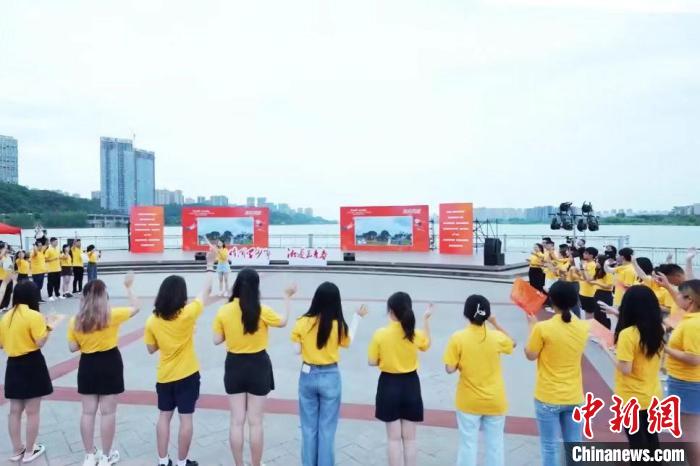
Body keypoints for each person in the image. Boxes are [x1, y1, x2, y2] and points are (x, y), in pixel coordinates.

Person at [144, 247, 220, 466]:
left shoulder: (152, 320)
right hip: (188, 374)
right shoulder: (187, 314)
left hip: (165, 376)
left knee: (164, 416)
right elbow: (206, 291)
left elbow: (151, 349)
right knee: (186, 419)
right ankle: (182, 462)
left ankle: (162, 461)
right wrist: (209, 264)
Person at [212, 268, 295, 466]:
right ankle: (256, 463)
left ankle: (239, 464)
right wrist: (287, 297)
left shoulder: (224, 310)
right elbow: (283, 322)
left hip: (234, 365)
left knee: (236, 421)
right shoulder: (262, 310)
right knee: (255, 422)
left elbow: (216, 339)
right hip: (258, 365)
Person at [290, 282, 369, 466]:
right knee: (327, 429)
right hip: (330, 376)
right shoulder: (337, 325)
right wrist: (357, 317)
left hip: (308, 374)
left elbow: (296, 350)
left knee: (308, 428)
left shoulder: (302, 322)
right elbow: (348, 342)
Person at [67, 274, 140, 466]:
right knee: (108, 413)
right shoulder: (111, 315)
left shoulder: (76, 320)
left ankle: (89, 455)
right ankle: (106, 456)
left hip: (87, 364)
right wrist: (128, 287)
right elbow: (136, 307)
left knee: (87, 412)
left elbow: (72, 347)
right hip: (110, 362)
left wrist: (86, 341)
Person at [443, 295, 516, 466]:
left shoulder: (458, 338)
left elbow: (449, 368)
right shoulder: (496, 337)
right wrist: (495, 323)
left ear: (466, 313)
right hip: (495, 401)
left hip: (468, 401)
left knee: (468, 445)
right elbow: (512, 343)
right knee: (495, 446)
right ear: (487, 314)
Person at [524, 281, 589, 466]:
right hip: (574, 396)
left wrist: (532, 326)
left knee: (549, 446)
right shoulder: (583, 327)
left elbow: (530, 355)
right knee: (574, 445)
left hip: (548, 396)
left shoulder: (543, 328)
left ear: (552, 301)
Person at [0, 281, 63, 463]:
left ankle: (17, 449)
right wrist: (49, 326)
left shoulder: (6, 316)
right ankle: (29, 450)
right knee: (32, 411)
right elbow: (40, 342)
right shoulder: (34, 316)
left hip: (13, 365)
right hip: (32, 363)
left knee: (14, 411)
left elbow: (1, 344)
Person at [368, 292, 434, 466]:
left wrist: (385, 360)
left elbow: (372, 361)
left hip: (389, 384)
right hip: (411, 385)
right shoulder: (414, 334)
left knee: (393, 439)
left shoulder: (380, 334)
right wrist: (426, 319)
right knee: (410, 439)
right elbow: (427, 344)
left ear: (390, 311)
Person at [613, 286, 664, 459]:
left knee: (637, 442)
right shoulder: (659, 329)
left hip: (631, 397)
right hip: (652, 394)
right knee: (652, 438)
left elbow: (625, 369)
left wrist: (606, 350)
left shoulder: (627, 334)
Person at [663, 279, 700, 464]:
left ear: (690, 299)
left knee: (690, 434)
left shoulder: (693, 325)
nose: (676, 297)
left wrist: (665, 348)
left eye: (679, 294)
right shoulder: (690, 320)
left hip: (688, 383)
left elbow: (694, 358)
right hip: (686, 382)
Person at [572, 247, 599, 320]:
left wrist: (582, 269)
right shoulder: (585, 263)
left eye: (586, 253)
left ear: (591, 255)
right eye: (584, 253)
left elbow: (588, 279)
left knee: (590, 314)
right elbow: (582, 276)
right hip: (583, 291)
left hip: (589, 293)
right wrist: (578, 270)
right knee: (586, 312)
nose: (583, 254)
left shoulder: (593, 265)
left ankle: (590, 327)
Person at [590, 255, 614, 329]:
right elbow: (590, 280)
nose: (596, 263)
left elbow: (609, 286)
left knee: (604, 317)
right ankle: (599, 332)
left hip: (605, 295)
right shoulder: (599, 271)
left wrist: (596, 283)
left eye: (597, 261)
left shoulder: (608, 273)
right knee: (597, 315)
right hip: (598, 294)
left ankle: (606, 333)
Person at [44, 237, 62, 302]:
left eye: (57, 242)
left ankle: (57, 294)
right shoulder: (48, 250)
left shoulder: (58, 249)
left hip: (58, 269)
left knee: (57, 283)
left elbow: (59, 258)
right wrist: (53, 259)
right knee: (50, 283)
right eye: (55, 242)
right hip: (51, 270)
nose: (57, 243)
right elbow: (45, 259)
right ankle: (50, 296)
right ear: (51, 242)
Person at [1, 242, 15, 311]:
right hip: (1, 278)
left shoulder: (9, 257)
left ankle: (5, 306)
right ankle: (1, 306)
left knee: (8, 292)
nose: (7, 249)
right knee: (2, 292)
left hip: (9, 277)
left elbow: (11, 266)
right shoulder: (1, 257)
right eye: (5, 248)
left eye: (7, 248)